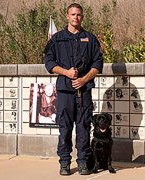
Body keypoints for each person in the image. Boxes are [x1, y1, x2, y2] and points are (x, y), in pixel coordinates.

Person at [44, 3, 103, 176]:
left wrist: (84, 79)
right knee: (65, 129)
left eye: (78, 14)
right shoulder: (56, 39)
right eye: (73, 14)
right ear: (67, 16)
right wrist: (67, 73)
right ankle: (64, 163)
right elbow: (49, 63)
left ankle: (83, 162)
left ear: (82, 17)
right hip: (65, 92)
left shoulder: (90, 39)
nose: (75, 17)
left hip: (84, 92)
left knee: (84, 128)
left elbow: (98, 64)